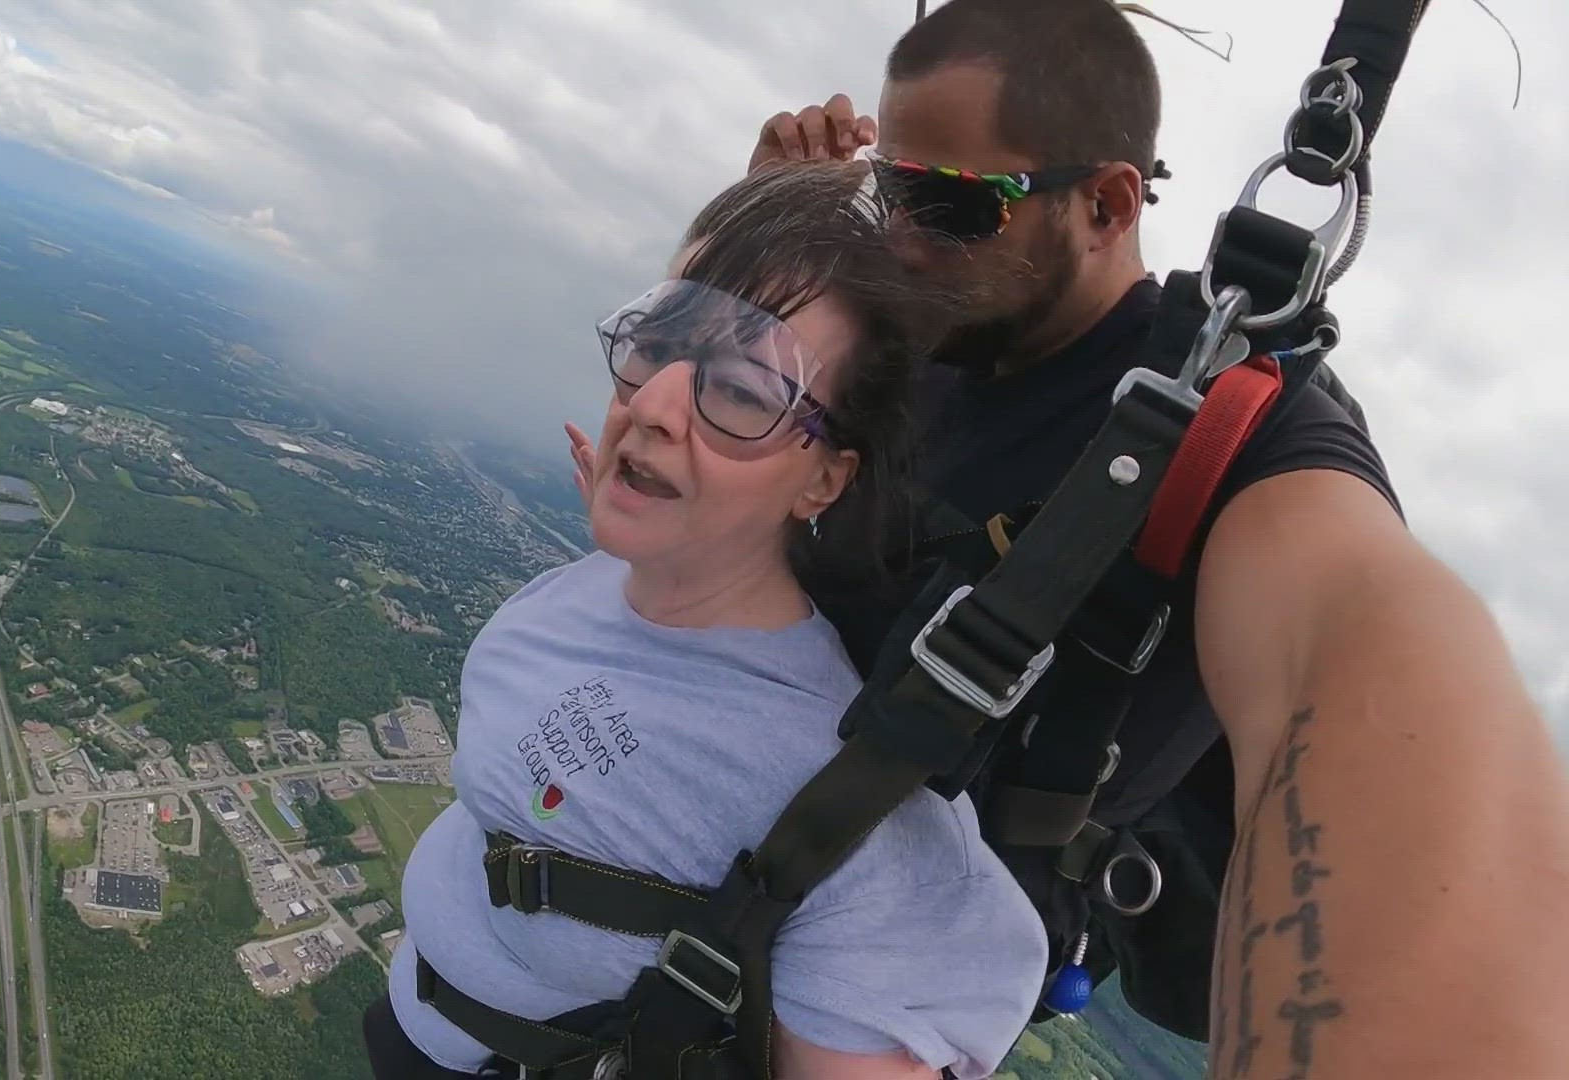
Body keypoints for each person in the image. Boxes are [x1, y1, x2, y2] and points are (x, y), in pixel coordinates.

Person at [567, 1, 1569, 1076]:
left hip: (855, 993)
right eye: (888, 191)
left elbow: (1364, 650)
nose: (899, 242)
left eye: (951, 208)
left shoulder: (1233, 426)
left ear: (1106, 202)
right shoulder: (904, 338)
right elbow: (688, 454)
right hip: (676, 869)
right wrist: (744, 245)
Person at [366, 161, 1050, 1080]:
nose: (646, 406)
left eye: (738, 389)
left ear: (825, 478)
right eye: (658, 343)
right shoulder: (590, 589)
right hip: (404, 1028)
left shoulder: (833, 806)